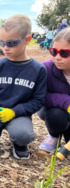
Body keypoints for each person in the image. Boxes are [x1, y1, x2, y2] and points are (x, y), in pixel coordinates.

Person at [0, 14, 47, 160]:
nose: (5, 48)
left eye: (12, 43)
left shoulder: (38, 70)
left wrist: (13, 112)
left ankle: (19, 144)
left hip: (18, 114)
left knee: (23, 135)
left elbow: (38, 101)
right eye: (2, 43)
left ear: (27, 40)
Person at [38, 27, 70, 156]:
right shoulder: (45, 68)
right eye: (53, 51)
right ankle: (54, 135)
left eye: (64, 53)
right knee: (56, 116)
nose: (57, 57)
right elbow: (39, 96)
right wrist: (66, 102)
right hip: (51, 110)